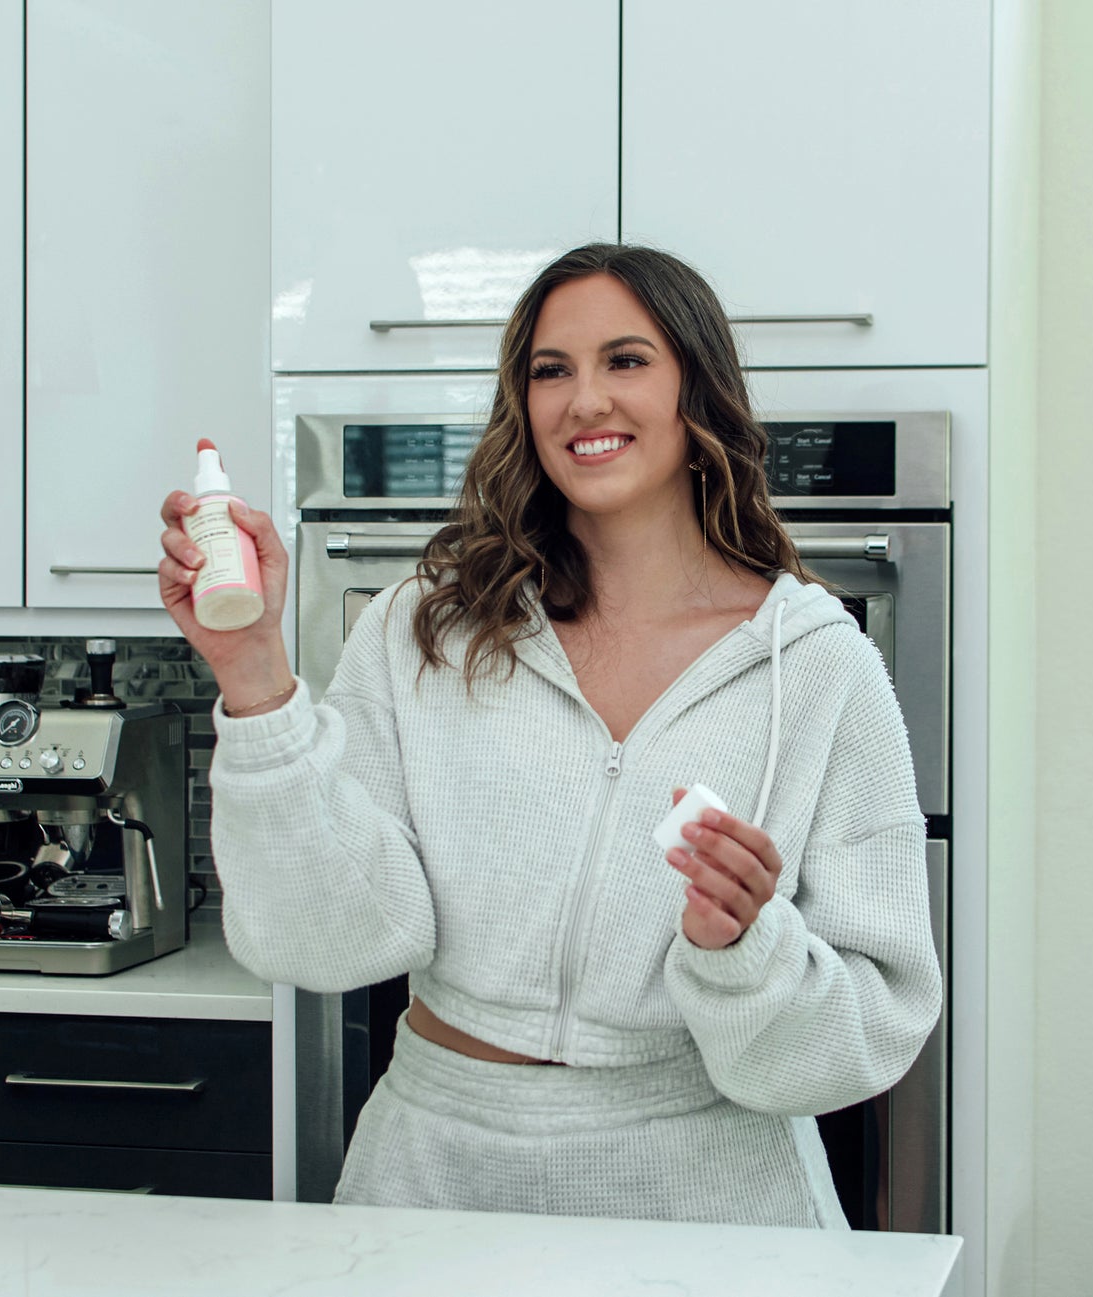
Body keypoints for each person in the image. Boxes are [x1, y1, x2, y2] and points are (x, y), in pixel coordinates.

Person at [157, 243, 941, 1229]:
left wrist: (746, 947)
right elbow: (327, 939)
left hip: (709, 1206)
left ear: (696, 388)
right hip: (433, 1186)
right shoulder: (424, 631)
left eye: (626, 360)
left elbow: (871, 1032)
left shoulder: (818, 668)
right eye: (550, 370)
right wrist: (254, 676)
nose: (584, 401)